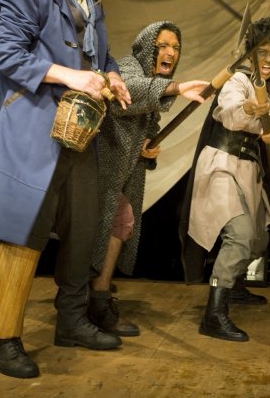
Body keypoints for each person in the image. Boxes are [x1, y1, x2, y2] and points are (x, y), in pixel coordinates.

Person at [0, 0, 133, 379]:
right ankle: (4, 340)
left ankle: (72, 322)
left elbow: (102, 57)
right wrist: (71, 76)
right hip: (34, 138)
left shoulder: (91, 1)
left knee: (83, 231)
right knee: (23, 235)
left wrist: (111, 75)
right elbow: (6, 54)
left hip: (80, 136)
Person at [87, 21, 209, 336]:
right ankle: (95, 302)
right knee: (114, 222)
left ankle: (96, 297)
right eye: (163, 45)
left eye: (176, 47)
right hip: (97, 171)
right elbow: (127, 92)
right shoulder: (128, 68)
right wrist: (176, 88)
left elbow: (144, 127)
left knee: (117, 224)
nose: (171, 52)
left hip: (118, 175)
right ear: (147, 47)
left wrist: (147, 147)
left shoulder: (154, 82)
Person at [180, 17, 270, 342]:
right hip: (221, 164)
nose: (269, 60)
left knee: (259, 239)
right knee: (241, 235)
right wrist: (250, 106)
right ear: (251, 52)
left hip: (249, 169)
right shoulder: (237, 81)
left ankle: (235, 286)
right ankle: (213, 314)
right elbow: (230, 115)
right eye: (263, 52)